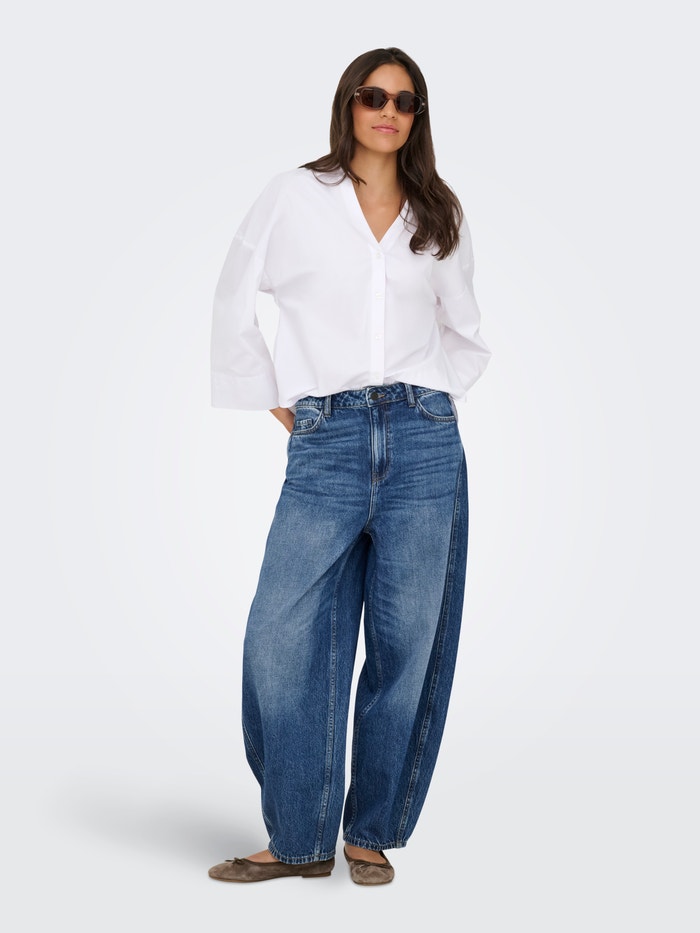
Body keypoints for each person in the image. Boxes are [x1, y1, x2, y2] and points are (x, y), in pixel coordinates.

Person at [208, 46, 490, 886]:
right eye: (374, 96)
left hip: (423, 442)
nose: (388, 111)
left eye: (405, 101)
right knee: (280, 635)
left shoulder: (436, 210)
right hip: (326, 441)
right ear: (349, 104)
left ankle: (369, 830)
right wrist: (276, 395)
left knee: (407, 643)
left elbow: (465, 331)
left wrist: (430, 401)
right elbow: (233, 296)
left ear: (417, 117)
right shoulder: (294, 196)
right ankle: (298, 836)